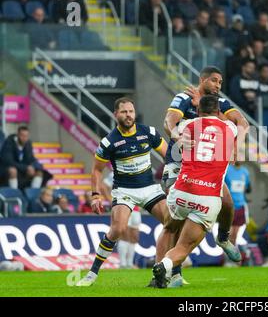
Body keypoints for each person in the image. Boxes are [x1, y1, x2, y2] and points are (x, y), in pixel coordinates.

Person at [161, 66, 249, 283]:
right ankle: (169, 273)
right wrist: (176, 136)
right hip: (178, 165)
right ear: (202, 80)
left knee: (228, 203)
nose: (218, 86)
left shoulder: (219, 102)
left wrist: (238, 147)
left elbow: (243, 123)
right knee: (173, 226)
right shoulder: (183, 97)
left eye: (220, 82)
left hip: (205, 170)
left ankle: (223, 239)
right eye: (214, 81)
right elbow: (169, 121)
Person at [76, 97, 168, 287]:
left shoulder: (148, 132)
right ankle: (92, 273)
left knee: (172, 223)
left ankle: (166, 272)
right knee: (118, 229)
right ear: (115, 114)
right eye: (124, 112)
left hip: (149, 188)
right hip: (125, 190)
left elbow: (168, 155)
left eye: (131, 111)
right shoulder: (109, 142)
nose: (128, 115)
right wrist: (95, 195)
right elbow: (96, 170)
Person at [152, 95, 238, 288]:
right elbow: (232, 122)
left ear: (198, 111)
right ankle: (166, 267)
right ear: (218, 111)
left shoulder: (187, 125)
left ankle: (163, 271)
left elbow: (172, 125)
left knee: (169, 228)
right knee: (184, 247)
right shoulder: (230, 129)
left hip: (181, 190)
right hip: (207, 197)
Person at [224, 161, 251, 248]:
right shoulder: (227, 170)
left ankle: (232, 254)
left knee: (235, 234)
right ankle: (225, 255)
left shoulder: (245, 172)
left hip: (241, 205)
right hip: (229, 206)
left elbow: (247, 187)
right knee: (228, 233)